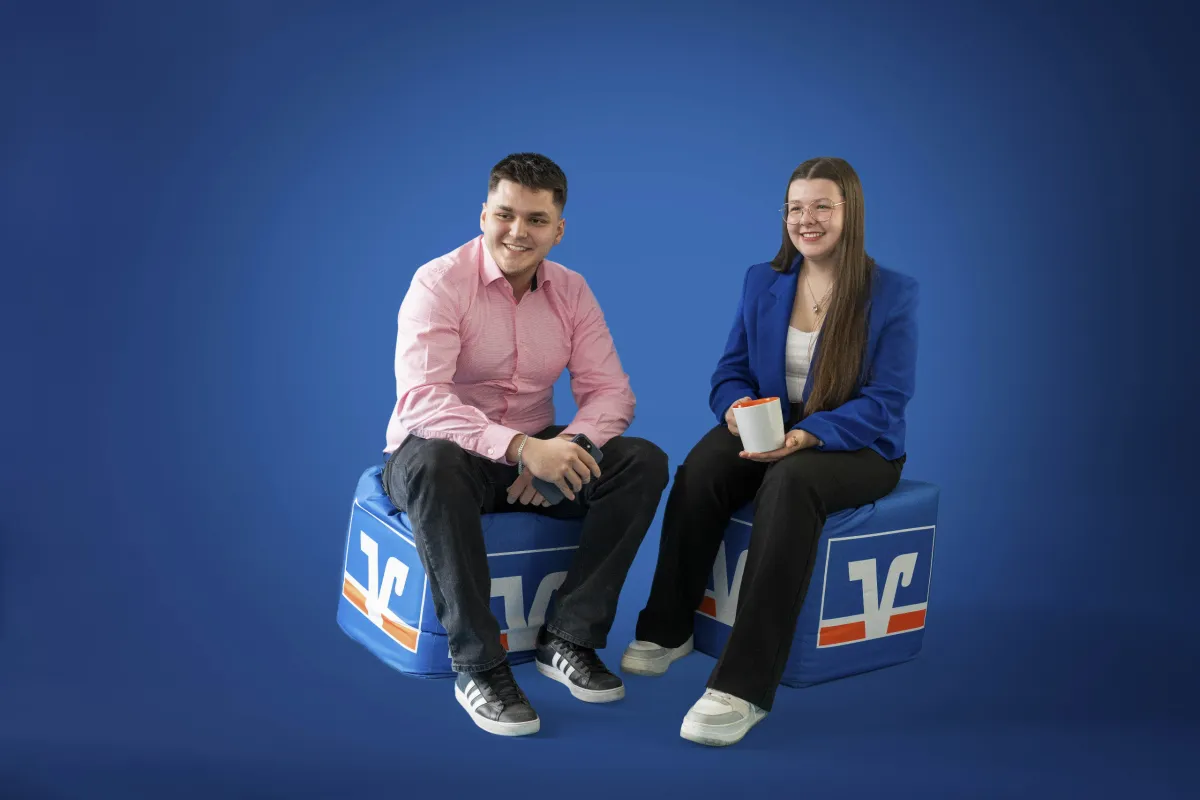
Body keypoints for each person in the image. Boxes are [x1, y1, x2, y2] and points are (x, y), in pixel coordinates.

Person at [621, 156, 919, 746]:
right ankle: (669, 627)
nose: (806, 219)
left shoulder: (892, 293)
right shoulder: (763, 280)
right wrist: (735, 407)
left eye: (822, 206)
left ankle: (744, 686)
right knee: (702, 467)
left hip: (858, 445)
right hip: (772, 425)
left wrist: (810, 435)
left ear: (851, 212)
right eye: (795, 208)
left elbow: (887, 400)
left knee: (791, 484)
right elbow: (729, 370)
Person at [380, 152, 669, 737]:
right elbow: (424, 402)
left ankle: (568, 637)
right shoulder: (438, 282)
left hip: (535, 453)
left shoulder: (572, 291)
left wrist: (565, 449)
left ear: (558, 230)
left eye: (536, 220)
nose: (518, 232)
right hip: (440, 455)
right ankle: (478, 666)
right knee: (437, 463)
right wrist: (520, 449)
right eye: (505, 215)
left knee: (642, 461)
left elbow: (611, 392)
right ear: (483, 215)